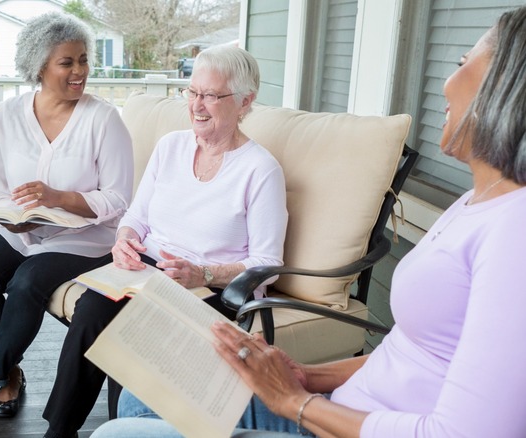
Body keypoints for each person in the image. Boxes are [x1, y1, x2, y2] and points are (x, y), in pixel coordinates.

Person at [92, 6, 526, 438]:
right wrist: (305, 376)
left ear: (507, 88)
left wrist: (295, 402)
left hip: (341, 424)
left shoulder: (514, 233)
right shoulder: (475, 201)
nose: (446, 83)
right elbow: (408, 352)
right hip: (341, 403)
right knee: (138, 399)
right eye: (193, 92)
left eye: (463, 64)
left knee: (113, 434)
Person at [42, 45, 289, 438]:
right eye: (192, 92)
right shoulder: (171, 146)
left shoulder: (261, 171)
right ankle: (59, 432)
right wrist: (124, 240)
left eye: (211, 95)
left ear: (246, 101)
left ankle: (126, 429)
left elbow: (265, 265)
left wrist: (202, 272)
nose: (197, 105)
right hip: (147, 270)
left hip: (210, 290)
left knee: (138, 329)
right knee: (92, 310)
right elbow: (135, 218)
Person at [0, 12, 134, 428]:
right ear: (39, 67)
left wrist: (58, 198)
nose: (80, 71)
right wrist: (13, 219)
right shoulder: (6, 115)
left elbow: (120, 198)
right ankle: (10, 371)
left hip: (85, 237)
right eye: (67, 62)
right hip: (20, 232)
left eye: (83, 59)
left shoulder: (103, 119)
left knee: (28, 281)